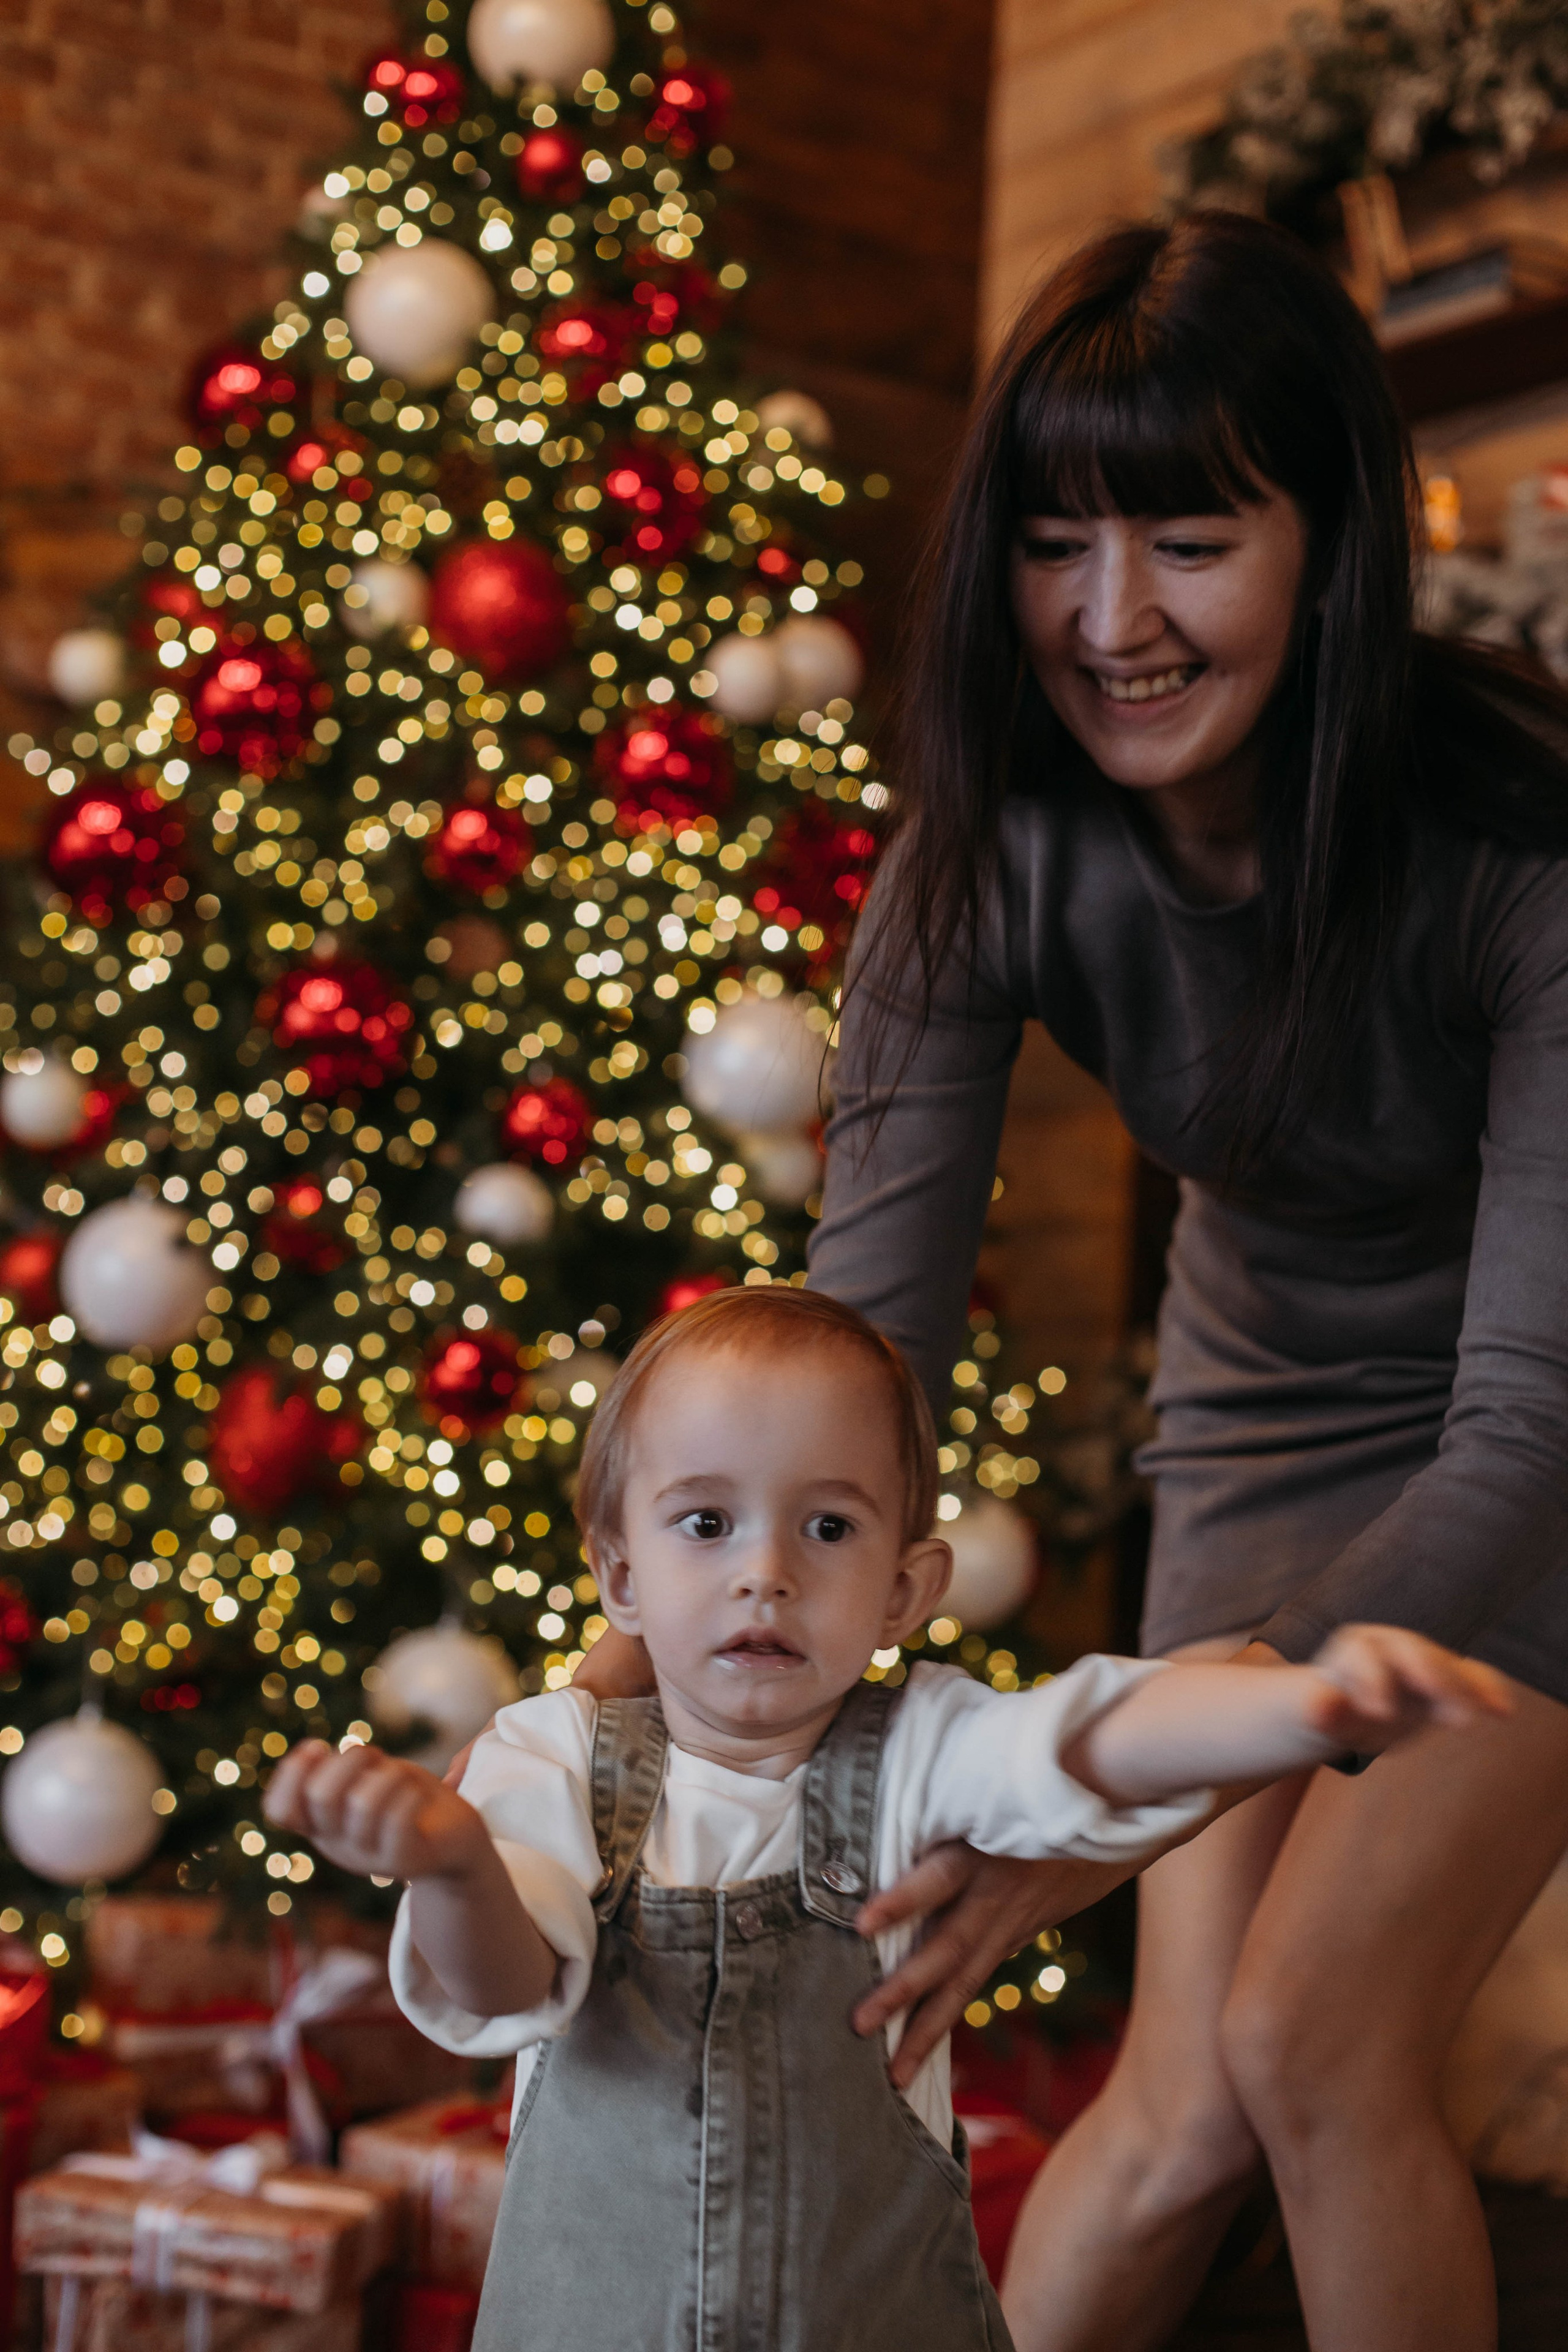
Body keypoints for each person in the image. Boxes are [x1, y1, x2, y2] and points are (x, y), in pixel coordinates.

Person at [804, 209, 1568, 2351]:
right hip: (1267, 1404)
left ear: (1333, 543)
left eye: (1193, 543)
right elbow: (860, 1350)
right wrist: (687, 1635)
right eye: (1057, 544)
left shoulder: (1523, 845)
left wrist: (1113, 1802)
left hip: (1536, 1445)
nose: (1112, 620)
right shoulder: (992, 847)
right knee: (1175, 2112)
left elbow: (1526, 1426)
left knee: (1314, 2045)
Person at [265, 1287, 1504, 2351]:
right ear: (621, 1576)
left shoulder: (921, 1748)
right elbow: (503, 1984)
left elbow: (1100, 1734)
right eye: (707, 1523)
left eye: (828, 1526)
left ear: (905, 1589)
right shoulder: (547, 1756)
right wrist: (451, 1869)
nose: (766, 1572)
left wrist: (1306, 1705)